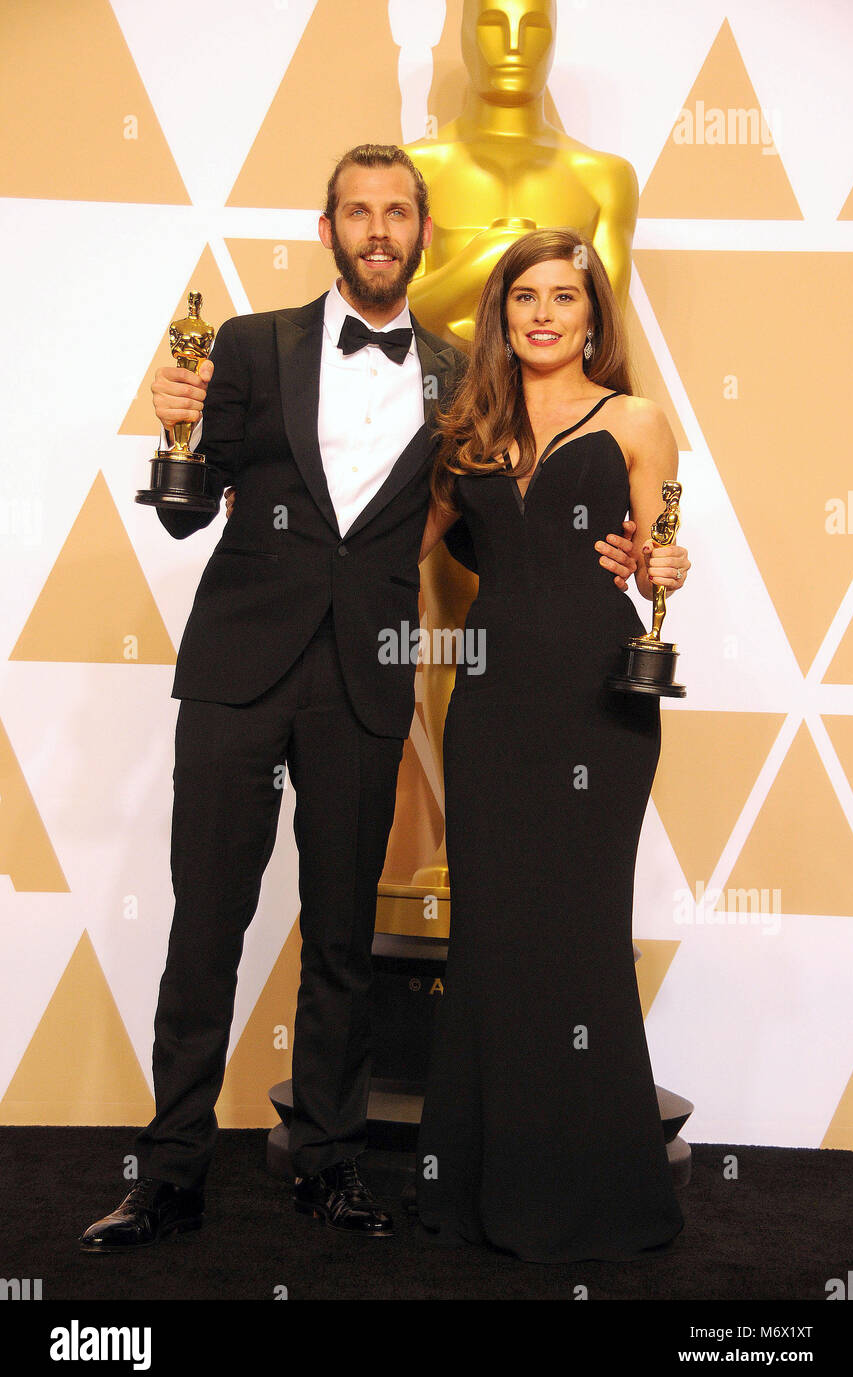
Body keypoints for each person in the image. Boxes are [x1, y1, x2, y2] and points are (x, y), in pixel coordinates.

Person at [78, 144, 642, 1253]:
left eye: (396, 214)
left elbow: (503, 524)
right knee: (207, 923)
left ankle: (330, 1166)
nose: (378, 230)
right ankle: (171, 1169)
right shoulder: (248, 343)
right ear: (327, 225)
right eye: (357, 212)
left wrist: (624, 560)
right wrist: (175, 426)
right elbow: (190, 512)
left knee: (339, 937)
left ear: (422, 235)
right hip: (238, 673)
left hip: (366, 679)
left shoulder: (457, 380)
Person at [411, 227, 690, 1262]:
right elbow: (396, 547)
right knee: (488, 935)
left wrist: (665, 562)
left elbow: (661, 551)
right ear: (501, 313)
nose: (540, 313)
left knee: (576, 933)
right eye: (523, 295)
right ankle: (478, 1189)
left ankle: (592, 1197)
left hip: (597, 699)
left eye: (561, 297)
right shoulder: (468, 429)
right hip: (487, 700)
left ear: (590, 315)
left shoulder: (635, 418)